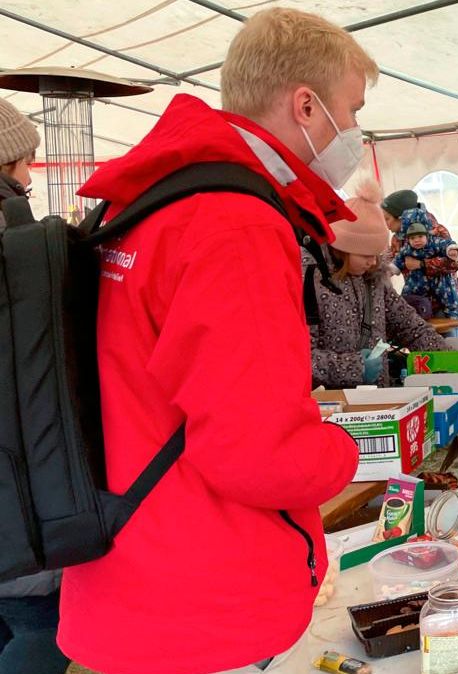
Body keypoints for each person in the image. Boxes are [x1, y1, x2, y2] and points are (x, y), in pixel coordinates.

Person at [56, 8, 377, 673]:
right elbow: (258, 452)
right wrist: (344, 451)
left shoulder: (143, 200)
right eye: (352, 110)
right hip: (197, 605)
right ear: (307, 106)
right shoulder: (233, 222)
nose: (354, 130)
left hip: (121, 571)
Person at [0, 98, 71, 674]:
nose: (29, 177)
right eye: (24, 163)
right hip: (18, 491)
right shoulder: (15, 242)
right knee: (41, 630)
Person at [306, 179, 448, 389]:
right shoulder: (310, 281)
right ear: (343, 249)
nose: (373, 262)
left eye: (376, 254)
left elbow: (409, 325)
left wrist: (450, 358)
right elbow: (298, 358)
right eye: (366, 254)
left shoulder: (374, 278)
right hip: (333, 403)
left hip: (377, 400)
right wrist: (355, 367)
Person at [398, 221, 458, 319]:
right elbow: (397, 259)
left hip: (442, 289)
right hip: (419, 297)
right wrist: (391, 268)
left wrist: (421, 264)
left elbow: (455, 262)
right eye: (412, 238)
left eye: (420, 236)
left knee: (452, 310)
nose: (416, 240)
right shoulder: (402, 244)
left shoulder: (436, 233)